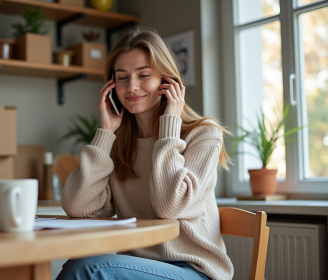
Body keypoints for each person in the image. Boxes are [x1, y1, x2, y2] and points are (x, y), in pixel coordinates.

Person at [58, 26, 234, 280]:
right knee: (80, 263)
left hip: (196, 270)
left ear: (167, 81)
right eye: (122, 77)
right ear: (111, 85)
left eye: (143, 75)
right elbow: (78, 207)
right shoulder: (119, 143)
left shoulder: (203, 135)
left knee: (88, 269)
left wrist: (169, 127)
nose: (132, 87)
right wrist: (105, 133)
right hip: (138, 266)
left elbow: (169, 206)